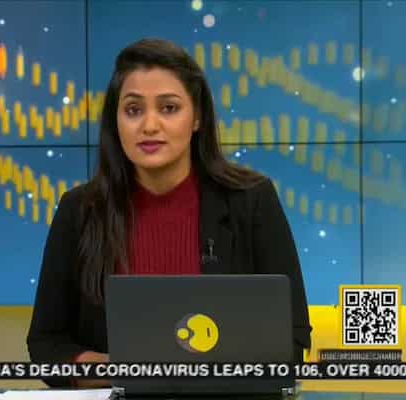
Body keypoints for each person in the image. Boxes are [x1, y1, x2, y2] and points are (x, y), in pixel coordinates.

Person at [27, 38, 312, 388]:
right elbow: (47, 344)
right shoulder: (80, 211)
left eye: (169, 108)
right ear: (115, 121)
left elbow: (292, 340)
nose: (149, 125)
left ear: (197, 117)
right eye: (133, 110)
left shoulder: (252, 200)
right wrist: (121, 372)